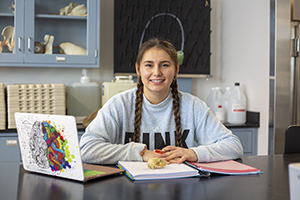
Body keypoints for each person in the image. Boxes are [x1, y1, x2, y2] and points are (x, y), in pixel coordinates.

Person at [80, 38, 243, 165]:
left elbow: (233, 145)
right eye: (149, 65)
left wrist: (193, 153)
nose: (156, 72)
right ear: (138, 69)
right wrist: (141, 153)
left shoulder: (193, 106)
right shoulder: (119, 104)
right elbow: (87, 149)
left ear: (176, 69)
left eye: (164, 65)